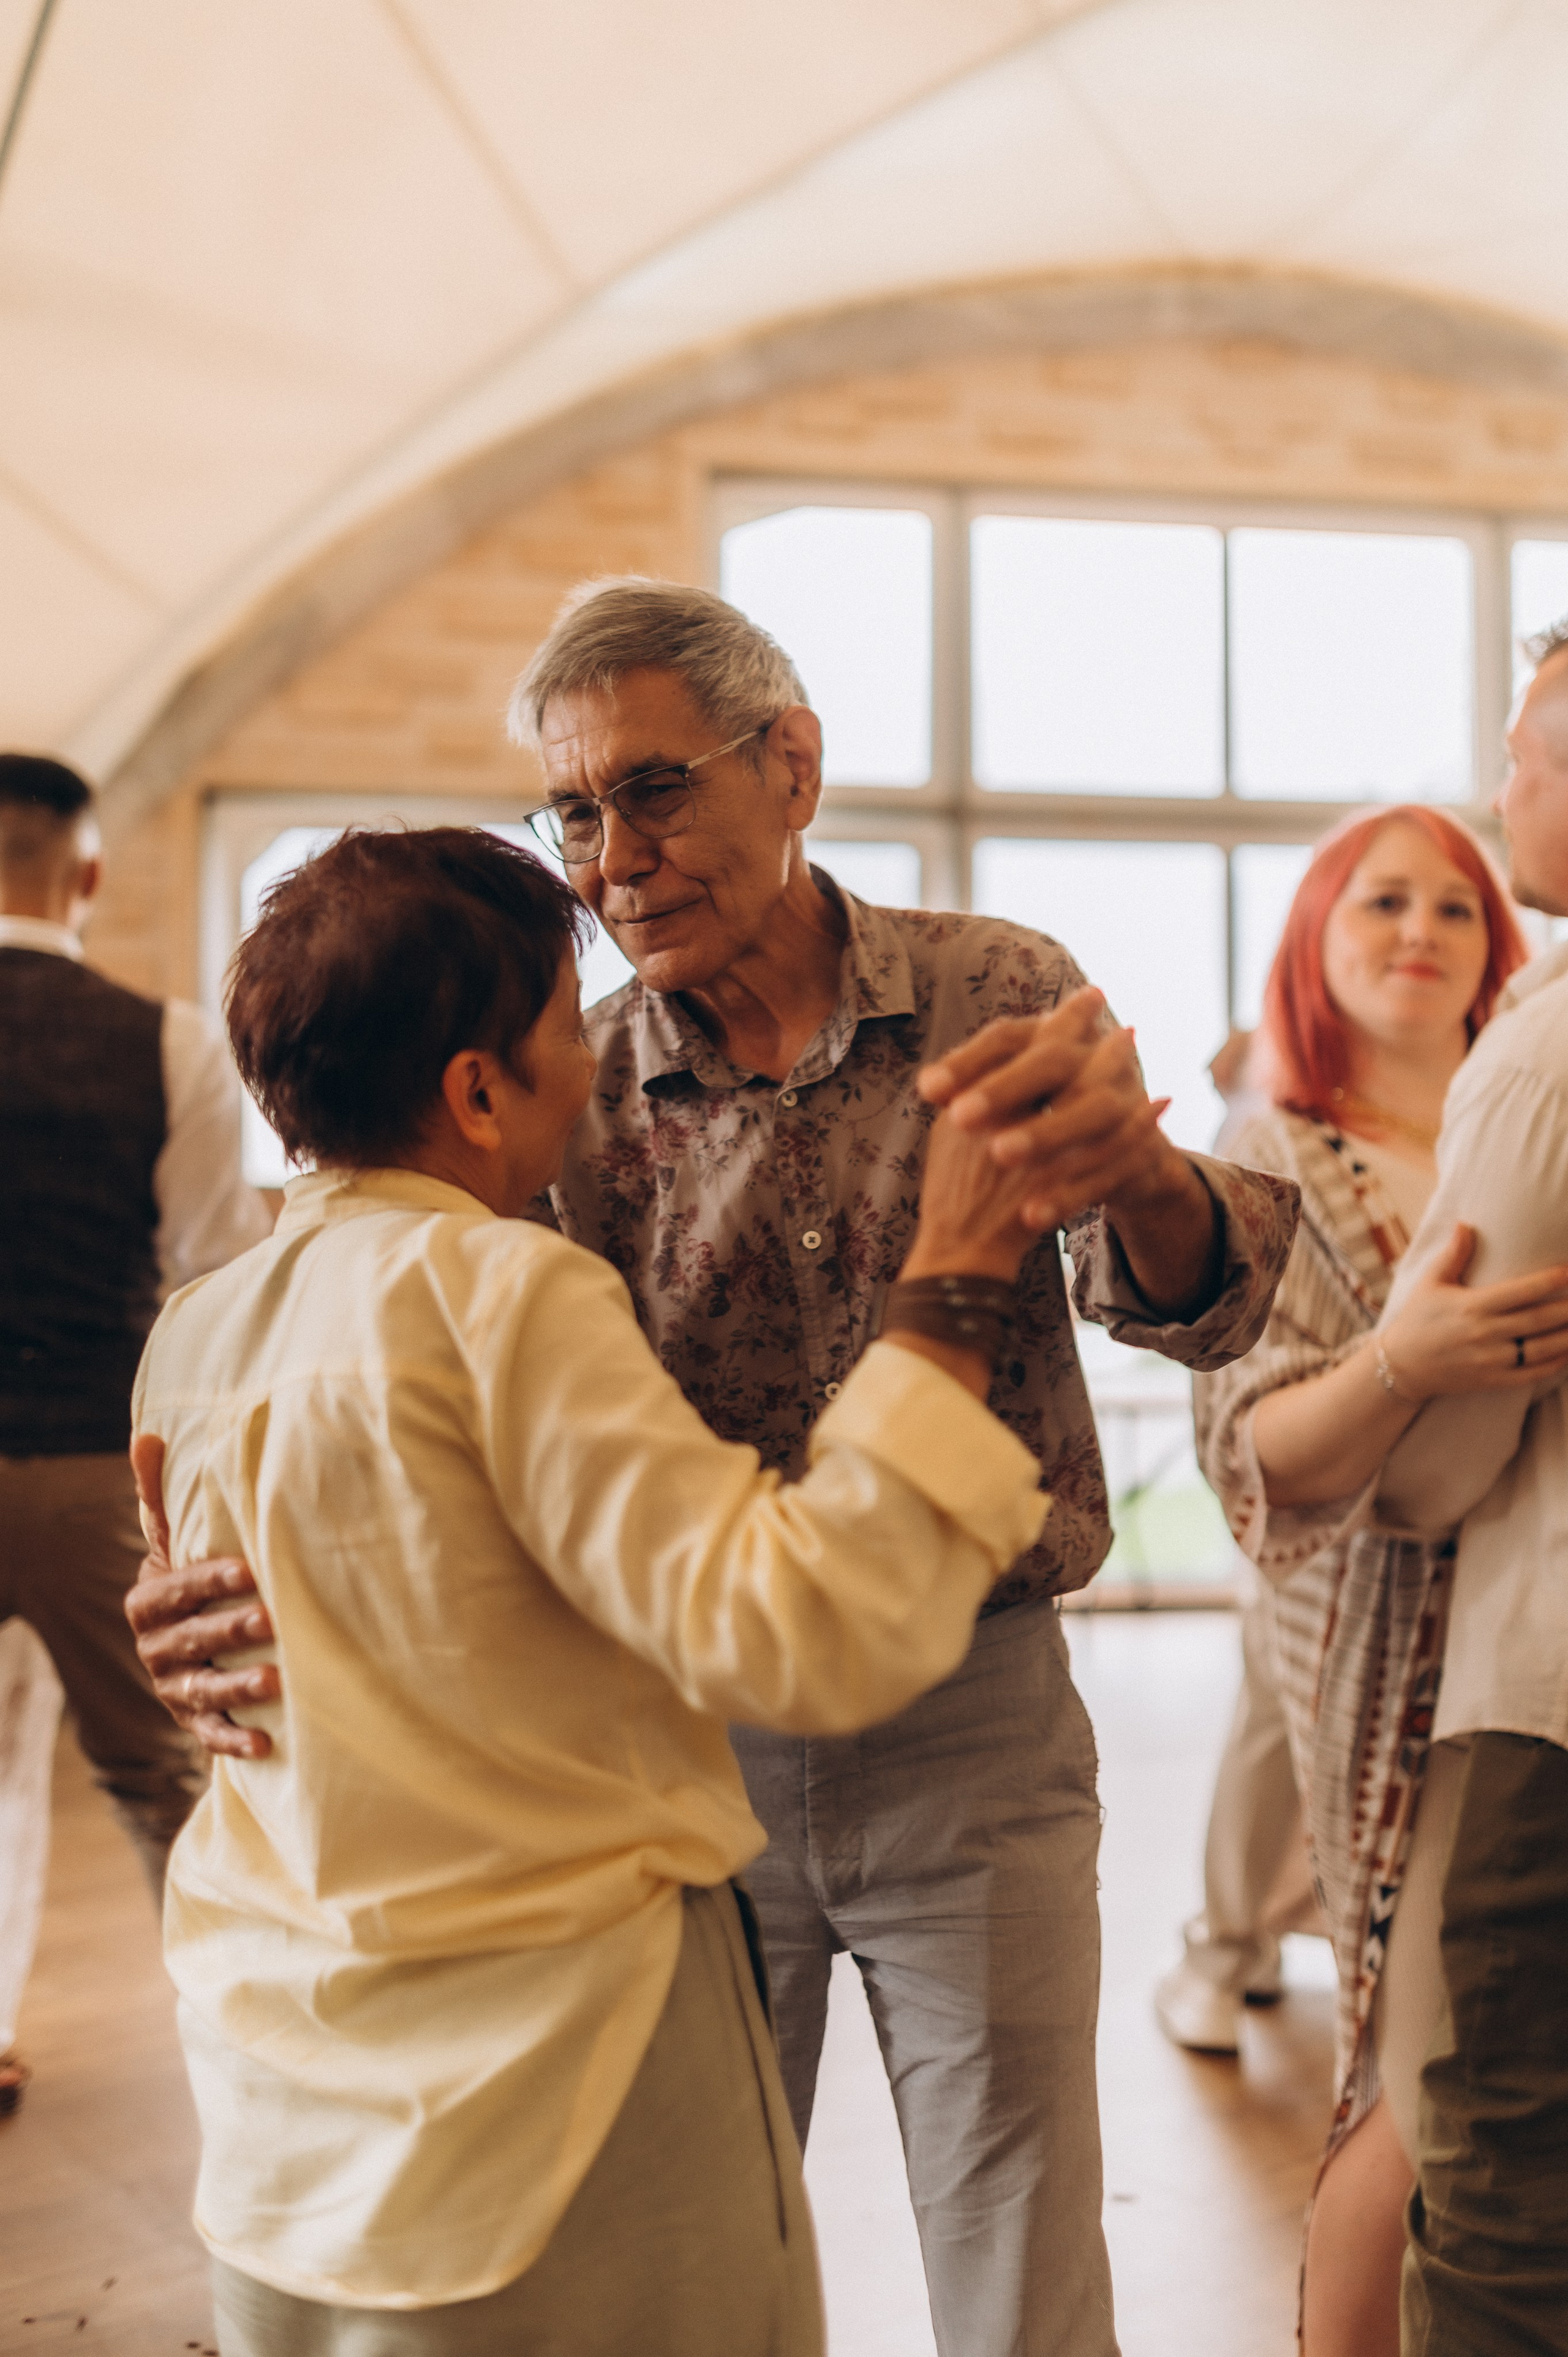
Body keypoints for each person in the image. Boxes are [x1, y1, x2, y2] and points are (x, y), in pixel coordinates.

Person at [127, 579, 1299, 2357]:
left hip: (969, 1727)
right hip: (670, 1755)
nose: (612, 859)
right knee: (706, 2232)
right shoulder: (546, 1091)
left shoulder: (997, 989)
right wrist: (215, 1579)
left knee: (1019, 2235)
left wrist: (1140, 1178)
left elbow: (1214, 1314)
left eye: (653, 792)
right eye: (575, 813)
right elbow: (413, 1391)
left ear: (796, 764)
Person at [134, 823, 1057, 2355]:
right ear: (477, 1090)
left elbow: (258, 1643)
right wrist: (951, 1276)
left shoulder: (197, 1332)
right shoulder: (501, 1288)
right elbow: (799, 1630)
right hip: (546, 2081)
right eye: (570, 1029)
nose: (597, 1064)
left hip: (285, 2092)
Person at [1189, 803, 1568, 2356]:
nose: (1418, 932)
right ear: (1310, 943)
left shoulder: (1507, 1111)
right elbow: (1247, 1447)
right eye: (1377, 904)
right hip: (1373, 1645)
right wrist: (1399, 1364)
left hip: (1505, 1618)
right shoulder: (1273, 1149)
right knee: (1407, 2076)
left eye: (1453, 910)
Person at [0, 753, 270, 2115]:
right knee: (153, 1769)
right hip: (89, 1461)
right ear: (88, 874)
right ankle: (241, 2045)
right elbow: (209, 1276)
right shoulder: (166, 1039)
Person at [1369, 621, 1568, 2353]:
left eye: (1530, 752)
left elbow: (1448, 1424)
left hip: (1550, 1693)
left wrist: (1384, 1409)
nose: (1507, 783)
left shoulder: (1545, 1051)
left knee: (1500, 2180)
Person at [1156, 1028, 1320, 2056]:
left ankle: (1250, 1938)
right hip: (1287, 1489)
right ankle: (1226, 1942)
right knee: (1271, 1715)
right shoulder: (1264, 1136)